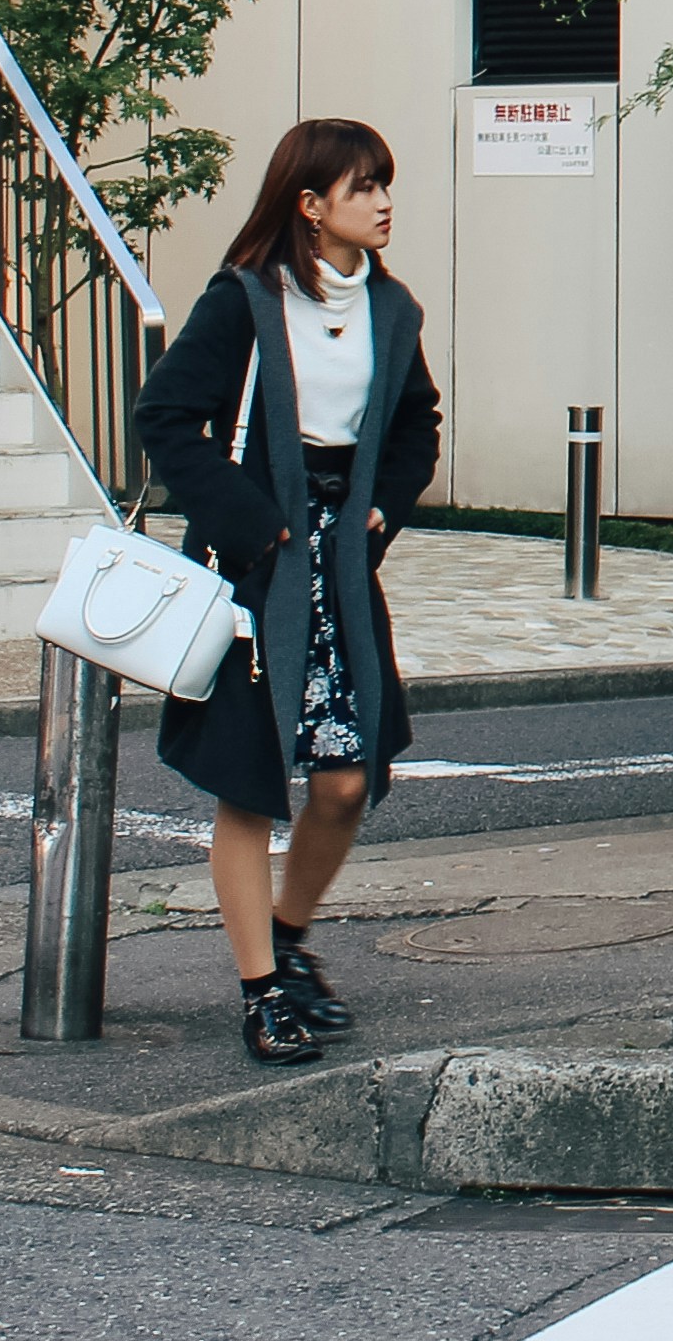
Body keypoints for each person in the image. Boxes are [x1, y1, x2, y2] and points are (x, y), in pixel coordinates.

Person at [135, 118, 442, 1067]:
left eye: (386, 184)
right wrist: (255, 522)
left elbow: (416, 424)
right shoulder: (244, 301)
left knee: (346, 779)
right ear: (311, 206)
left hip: (343, 564)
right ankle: (261, 988)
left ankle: (291, 934)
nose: (385, 202)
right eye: (364, 187)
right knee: (250, 783)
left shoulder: (391, 310)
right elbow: (165, 418)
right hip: (257, 565)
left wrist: (383, 509)